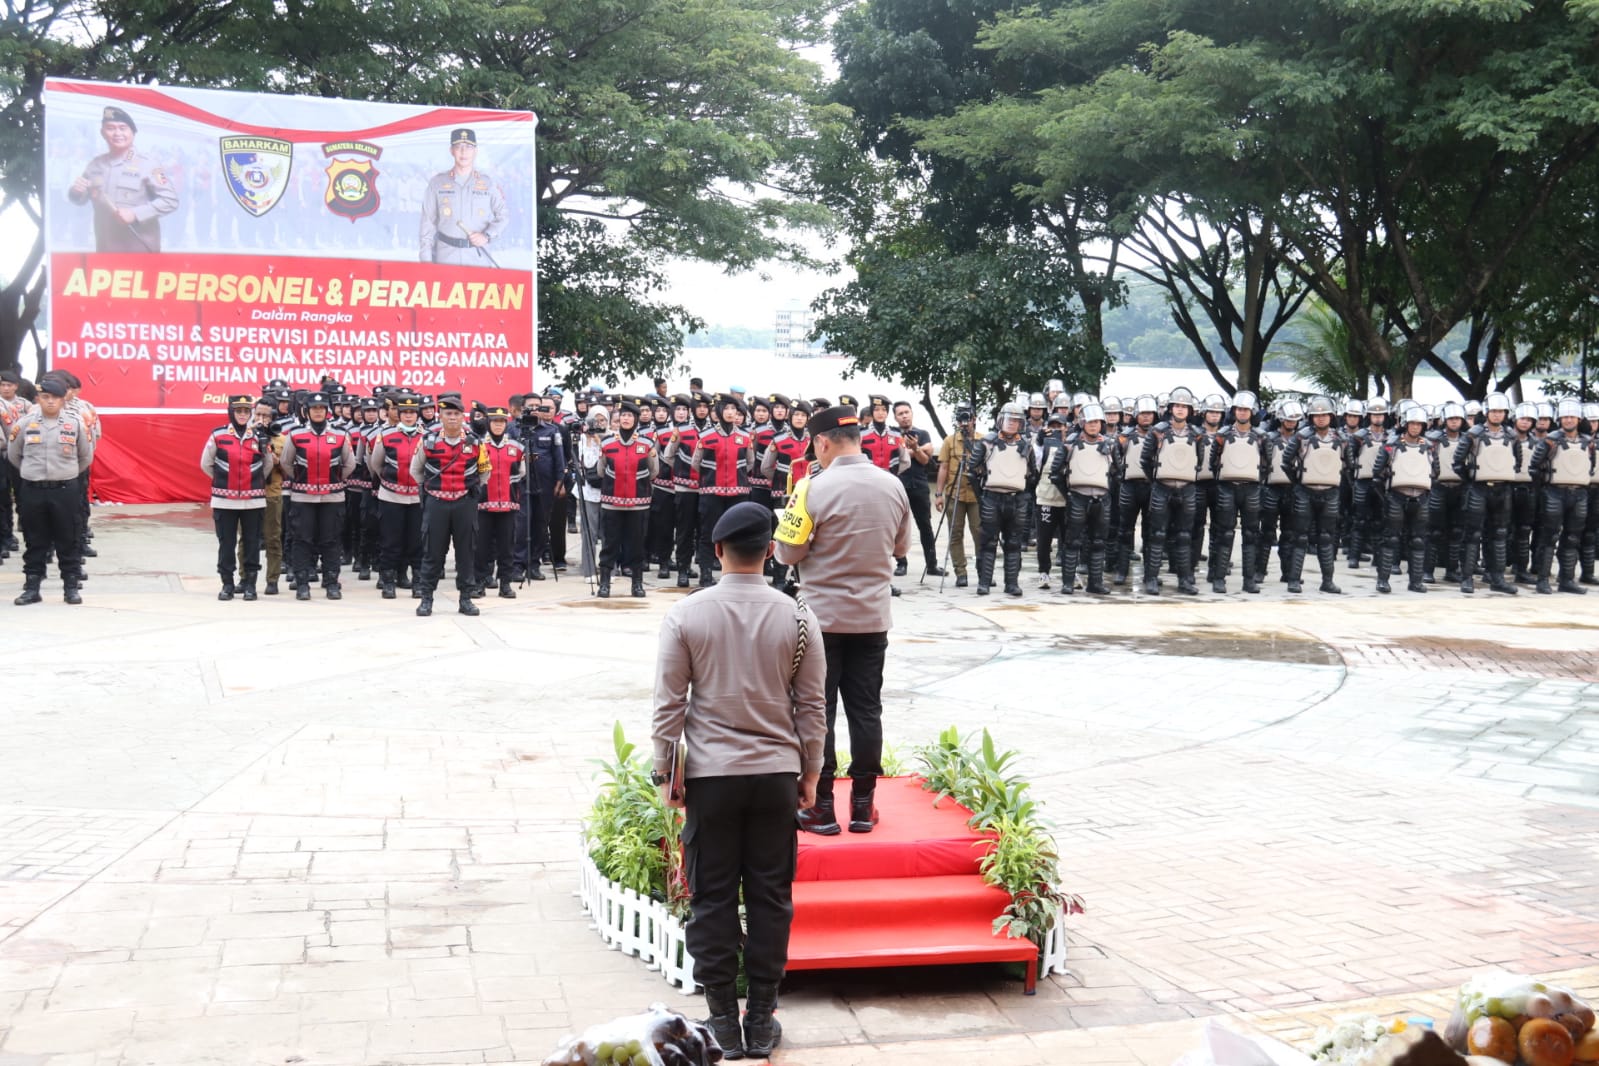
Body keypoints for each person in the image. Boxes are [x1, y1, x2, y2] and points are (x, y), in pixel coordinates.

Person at [652, 501, 825, 1061]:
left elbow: (669, 707)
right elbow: (812, 705)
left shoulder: (686, 615)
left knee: (713, 896)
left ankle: (724, 1020)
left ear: (718, 550)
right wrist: (812, 772)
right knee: (772, 896)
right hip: (775, 776)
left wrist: (664, 774)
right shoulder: (799, 617)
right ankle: (763, 1018)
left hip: (713, 779)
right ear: (770, 551)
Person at [775, 404, 910, 837]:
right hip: (872, 617)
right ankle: (864, 806)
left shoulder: (810, 488)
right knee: (867, 709)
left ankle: (822, 806)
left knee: (818, 710)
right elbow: (902, 548)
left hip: (821, 621)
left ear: (822, 442)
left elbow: (787, 553)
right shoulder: (893, 485)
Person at [7, 376, 94, 605]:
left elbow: (85, 457)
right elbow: (14, 455)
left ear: (63, 399)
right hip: (33, 489)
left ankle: (70, 587)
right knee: (35, 540)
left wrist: (64, 473)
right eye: (45, 397)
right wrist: (32, 472)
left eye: (55, 397)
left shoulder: (75, 423)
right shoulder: (24, 424)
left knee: (68, 538)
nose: (50, 401)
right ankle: (32, 588)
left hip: (64, 490)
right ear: (38, 399)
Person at [411, 396, 487, 616]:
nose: (452, 418)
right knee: (432, 553)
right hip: (436, 504)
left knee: (466, 553)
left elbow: (484, 472)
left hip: (465, 503)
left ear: (462, 417)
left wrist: (467, 491)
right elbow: (416, 470)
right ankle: (426, 599)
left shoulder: (475, 442)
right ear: (441, 416)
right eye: (448, 414)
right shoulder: (428, 441)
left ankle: (466, 599)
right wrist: (433, 491)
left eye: (456, 414)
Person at [278, 392, 357, 600]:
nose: (318, 412)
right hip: (303, 498)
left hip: (332, 497)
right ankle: (302, 583)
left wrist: (335, 479)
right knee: (302, 540)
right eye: (314, 408)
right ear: (307, 411)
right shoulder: (295, 435)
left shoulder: (340, 435)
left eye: (322, 408)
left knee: (331, 541)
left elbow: (349, 464)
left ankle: (331, 583)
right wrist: (301, 478)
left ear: (327, 411)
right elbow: (286, 462)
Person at [67, 105, 178, 253]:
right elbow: (80, 200)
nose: (117, 133)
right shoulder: (95, 165)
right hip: (105, 249)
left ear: (133, 132)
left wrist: (135, 213)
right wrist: (76, 192)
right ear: (102, 133)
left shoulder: (149, 164)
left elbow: (170, 201)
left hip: (140, 250)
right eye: (111, 128)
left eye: (122, 128)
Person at [199, 394, 271, 601]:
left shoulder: (259, 437)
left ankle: (250, 585)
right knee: (226, 543)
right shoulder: (218, 435)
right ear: (231, 412)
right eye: (238, 411)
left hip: (253, 500)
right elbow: (206, 464)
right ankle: (227, 584)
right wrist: (224, 481)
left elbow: (267, 465)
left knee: (252, 543)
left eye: (246, 411)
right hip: (224, 500)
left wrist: (253, 482)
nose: (242, 415)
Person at [967, 402, 1040, 597]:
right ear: (1000, 420)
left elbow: (1033, 474)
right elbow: (972, 471)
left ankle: (1012, 584)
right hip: (991, 497)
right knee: (988, 542)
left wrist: (1024, 496)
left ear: (1021, 423)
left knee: (1014, 543)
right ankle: (984, 583)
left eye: (1016, 420)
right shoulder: (987, 442)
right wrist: (981, 496)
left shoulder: (1026, 446)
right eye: (1008, 419)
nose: (1011, 423)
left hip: (1017, 500)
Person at [1455, 392, 1523, 595]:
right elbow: (1458, 462)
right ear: (1486, 412)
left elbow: (1517, 462)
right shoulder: (1473, 434)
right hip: (1478, 489)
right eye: (1494, 411)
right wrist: (1472, 478)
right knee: (1472, 535)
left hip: (1503, 490)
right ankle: (1467, 577)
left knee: (1499, 535)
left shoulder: (1511, 435)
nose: (1497, 415)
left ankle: (1497, 578)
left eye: (1501, 411)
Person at [1139, 386, 1204, 595]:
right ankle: (1151, 578)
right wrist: (1157, 478)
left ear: (1190, 410)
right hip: (1161, 488)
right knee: (1157, 534)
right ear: (1171, 408)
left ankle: (1184, 580)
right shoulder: (1157, 431)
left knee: (1184, 536)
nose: (1180, 409)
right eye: (1177, 406)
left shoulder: (1197, 434)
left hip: (1187, 489)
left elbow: (1199, 461)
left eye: (1184, 406)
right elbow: (1145, 459)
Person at [591, 400, 657, 598]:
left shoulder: (647, 444)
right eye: (623, 416)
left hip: (638, 504)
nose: (626, 419)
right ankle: (605, 584)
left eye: (630, 416)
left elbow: (654, 471)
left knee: (636, 545)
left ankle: (637, 584)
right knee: (609, 545)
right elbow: (601, 470)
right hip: (612, 503)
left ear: (636, 419)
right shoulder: (607, 443)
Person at [1053, 402, 1119, 596]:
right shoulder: (1070, 444)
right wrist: (1069, 493)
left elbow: (1117, 472)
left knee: (1098, 542)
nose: (1093, 425)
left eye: (1096, 422)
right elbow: (1056, 473)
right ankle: (1068, 583)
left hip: (1101, 499)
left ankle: (1095, 582)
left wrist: (1107, 491)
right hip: (1077, 497)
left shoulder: (1110, 445)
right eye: (1090, 422)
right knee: (1072, 542)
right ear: (1082, 423)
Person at [1282, 396, 1346, 595]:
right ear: (1311, 417)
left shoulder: (1341, 439)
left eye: (1324, 415)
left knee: (1327, 538)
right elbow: (1286, 462)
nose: (1321, 418)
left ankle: (1327, 581)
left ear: (1331, 416)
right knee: (1300, 537)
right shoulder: (1301, 437)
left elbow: (1349, 464)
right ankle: (1294, 580)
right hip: (1305, 492)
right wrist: (1298, 480)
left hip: (1330, 493)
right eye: (1317, 415)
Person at [689, 394, 755, 588]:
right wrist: (711, 478)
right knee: (708, 534)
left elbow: (750, 463)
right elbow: (696, 463)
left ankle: (733, 574)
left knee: (735, 535)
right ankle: (706, 574)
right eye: (726, 409)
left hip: (738, 493)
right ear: (718, 411)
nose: (730, 413)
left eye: (734, 409)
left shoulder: (744, 437)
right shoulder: (706, 436)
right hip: (711, 493)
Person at [1530, 399, 1593, 595]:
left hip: (1579, 493)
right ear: (1559, 419)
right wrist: (1545, 487)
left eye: (1572, 416)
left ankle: (1567, 579)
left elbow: (1590, 465)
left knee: (1573, 538)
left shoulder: (1587, 442)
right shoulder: (1550, 440)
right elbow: (1534, 467)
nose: (1568, 420)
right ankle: (1543, 579)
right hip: (1554, 492)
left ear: (1579, 419)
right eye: (1565, 417)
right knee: (1549, 536)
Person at [1371, 407, 1437, 595]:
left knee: (1418, 540)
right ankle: (1383, 580)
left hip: (1421, 497)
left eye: (1419, 424)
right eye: (1412, 423)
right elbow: (1377, 474)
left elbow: (1435, 472)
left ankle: (1416, 581)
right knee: (1390, 539)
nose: (1415, 427)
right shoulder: (1391, 445)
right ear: (1405, 425)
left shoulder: (1429, 446)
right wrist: (1386, 496)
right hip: (1396, 496)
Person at [420, 128, 508, 265]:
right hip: (446, 258)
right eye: (458, 147)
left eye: (468, 147)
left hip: (478, 259)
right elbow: (427, 223)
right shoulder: (437, 183)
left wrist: (487, 236)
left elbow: (503, 215)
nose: (463, 152)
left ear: (475, 151)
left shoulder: (487, 183)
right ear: (451, 151)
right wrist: (426, 261)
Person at [369, 393, 427, 598]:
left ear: (417, 414)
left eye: (412, 412)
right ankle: (388, 581)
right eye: (405, 412)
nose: (409, 416)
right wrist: (390, 480)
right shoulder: (386, 435)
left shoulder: (427, 436)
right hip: (391, 496)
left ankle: (417, 581)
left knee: (416, 542)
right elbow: (376, 464)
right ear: (399, 414)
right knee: (390, 541)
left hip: (418, 498)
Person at [1209, 391, 1267, 594]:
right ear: (1234, 411)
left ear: (1252, 412)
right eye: (1239, 409)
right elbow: (1213, 462)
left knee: (1251, 535)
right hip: (1227, 488)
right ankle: (1219, 578)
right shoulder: (1223, 435)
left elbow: (1266, 464)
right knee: (1224, 534)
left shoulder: (1261, 436)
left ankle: (1249, 580)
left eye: (1246, 409)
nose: (1242, 413)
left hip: (1251, 489)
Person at [476, 405, 526, 598]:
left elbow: (522, 472)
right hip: (483, 504)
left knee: (507, 548)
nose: (498, 425)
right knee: (481, 547)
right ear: (488, 423)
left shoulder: (517, 447)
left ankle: (505, 584)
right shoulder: (479, 445)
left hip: (508, 504)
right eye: (494, 422)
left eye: (501, 422)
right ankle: (480, 582)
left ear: (506, 423)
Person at [891, 400, 943, 578]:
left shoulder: (922, 433)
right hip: (898, 485)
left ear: (912, 413)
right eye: (900, 414)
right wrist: (919, 450)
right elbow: (897, 457)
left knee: (925, 526)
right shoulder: (892, 435)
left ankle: (932, 565)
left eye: (907, 412)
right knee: (898, 527)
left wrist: (915, 449)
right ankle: (901, 563)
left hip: (919, 485)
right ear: (895, 417)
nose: (904, 416)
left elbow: (925, 460)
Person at [934, 403, 981, 588]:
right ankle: (960, 572)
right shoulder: (950, 441)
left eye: (968, 418)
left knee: (980, 533)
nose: (964, 422)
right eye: (961, 419)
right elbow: (943, 467)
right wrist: (938, 494)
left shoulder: (982, 440)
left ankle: (984, 572)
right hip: (955, 493)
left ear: (974, 419)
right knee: (955, 533)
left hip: (976, 494)